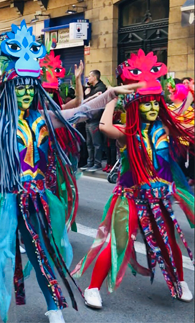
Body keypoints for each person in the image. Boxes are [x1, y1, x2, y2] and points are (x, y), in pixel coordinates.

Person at [0, 21, 142, 323]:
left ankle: (53, 306)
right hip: (4, 199)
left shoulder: (46, 117)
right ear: (12, 88)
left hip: (36, 200)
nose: (26, 94)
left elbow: (81, 111)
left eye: (30, 88)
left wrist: (110, 94)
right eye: (20, 88)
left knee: (42, 255)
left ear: (36, 89)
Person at [73, 50, 194, 309]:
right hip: (130, 198)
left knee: (169, 240)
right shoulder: (129, 131)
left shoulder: (165, 128)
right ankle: (92, 288)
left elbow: (185, 112)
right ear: (135, 105)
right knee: (118, 241)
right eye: (145, 103)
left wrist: (187, 91)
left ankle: (179, 280)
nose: (151, 108)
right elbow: (104, 127)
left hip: (160, 197)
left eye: (154, 103)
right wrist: (113, 97)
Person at [81, 69, 108, 172]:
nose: (88, 78)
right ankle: (90, 162)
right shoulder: (91, 88)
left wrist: (88, 94)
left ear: (95, 77)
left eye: (89, 76)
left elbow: (93, 102)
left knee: (96, 143)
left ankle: (97, 163)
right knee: (89, 143)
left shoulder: (100, 88)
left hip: (95, 119)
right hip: (88, 119)